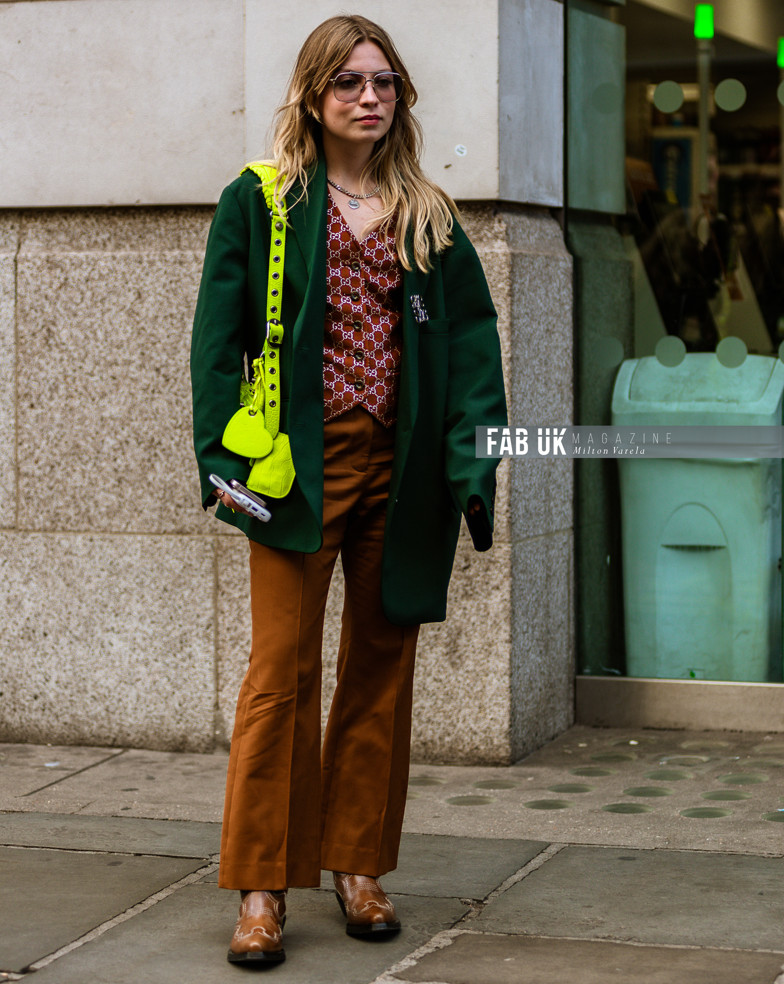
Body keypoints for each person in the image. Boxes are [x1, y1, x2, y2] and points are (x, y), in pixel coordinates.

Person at [190, 13, 507, 966]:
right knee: (279, 674)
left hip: (402, 473)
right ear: (314, 95)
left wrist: (471, 470)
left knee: (380, 668)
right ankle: (260, 885)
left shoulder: (428, 216)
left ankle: (358, 866)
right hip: (296, 470)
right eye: (350, 83)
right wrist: (221, 462)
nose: (370, 98)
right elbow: (217, 343)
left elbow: (473, 352)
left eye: (384, 82)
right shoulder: (263, 203)